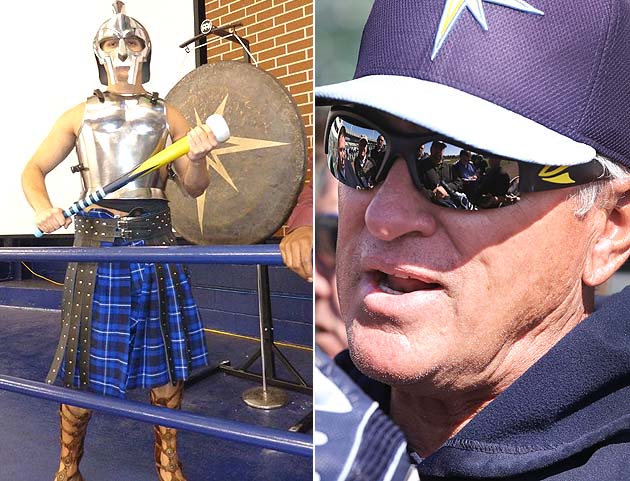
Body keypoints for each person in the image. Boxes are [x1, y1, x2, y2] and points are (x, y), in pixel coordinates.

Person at [315, 0, 630, 479]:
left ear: (609, 230)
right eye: (359, 146)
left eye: (467, 170)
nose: (385, 216)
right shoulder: (310, 424)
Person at [21, 4, 219, 481]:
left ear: (146, 51)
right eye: (112, 44)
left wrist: (197, 156)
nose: (123, 51)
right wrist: (41, 208)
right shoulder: (79, 115)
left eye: (133, 43)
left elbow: (193, 185)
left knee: (166, 364)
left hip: (155, 240)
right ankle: (68, 467)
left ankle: (168, 466)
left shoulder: (165, 112)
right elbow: (33, 170)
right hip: (97, 243)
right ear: (99, 52)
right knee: (81, 365)